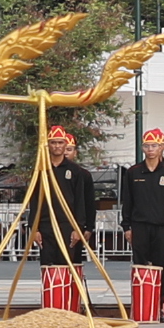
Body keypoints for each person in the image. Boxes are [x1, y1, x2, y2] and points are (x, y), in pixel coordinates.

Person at [27, 121, 103, 311]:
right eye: (53, 143)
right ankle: (49, 307)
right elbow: (34, 200)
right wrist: (33, 227)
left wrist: (80, 227)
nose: (57, 146)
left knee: (67, 263)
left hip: (67, 225)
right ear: (48, 145)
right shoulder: (41, 169)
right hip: (46, 224)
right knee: (47, 265)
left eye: (60, 143)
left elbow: (80, 202)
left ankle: (67, 308)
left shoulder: (76, 172)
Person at [119, 125, 164, 322]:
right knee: (140, 266)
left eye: (154, 145)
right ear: (142, 148)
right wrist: (127, 226)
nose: (150, 149)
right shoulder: (133, 172)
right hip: (139, 226)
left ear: (162, 147)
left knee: (162, 267)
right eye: (147, 146)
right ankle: (141, 307)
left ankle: (161, 308)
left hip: (162, 227)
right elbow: (127, 201)